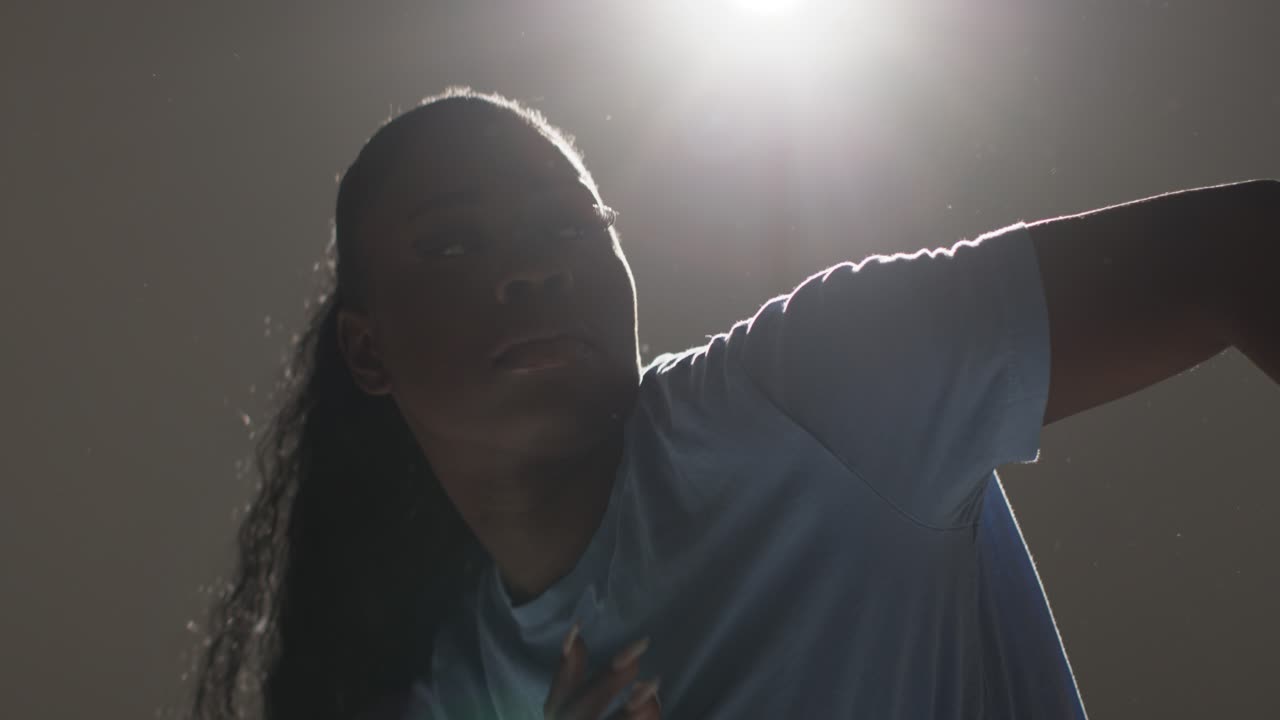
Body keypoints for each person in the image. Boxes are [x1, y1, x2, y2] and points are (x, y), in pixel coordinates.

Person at [189, 87, 1278, 720]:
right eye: (454, 244)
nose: (529, 269)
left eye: (569, 225)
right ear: (366, 354)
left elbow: (1241, 250)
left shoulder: (808, 394)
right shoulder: (451, 688)